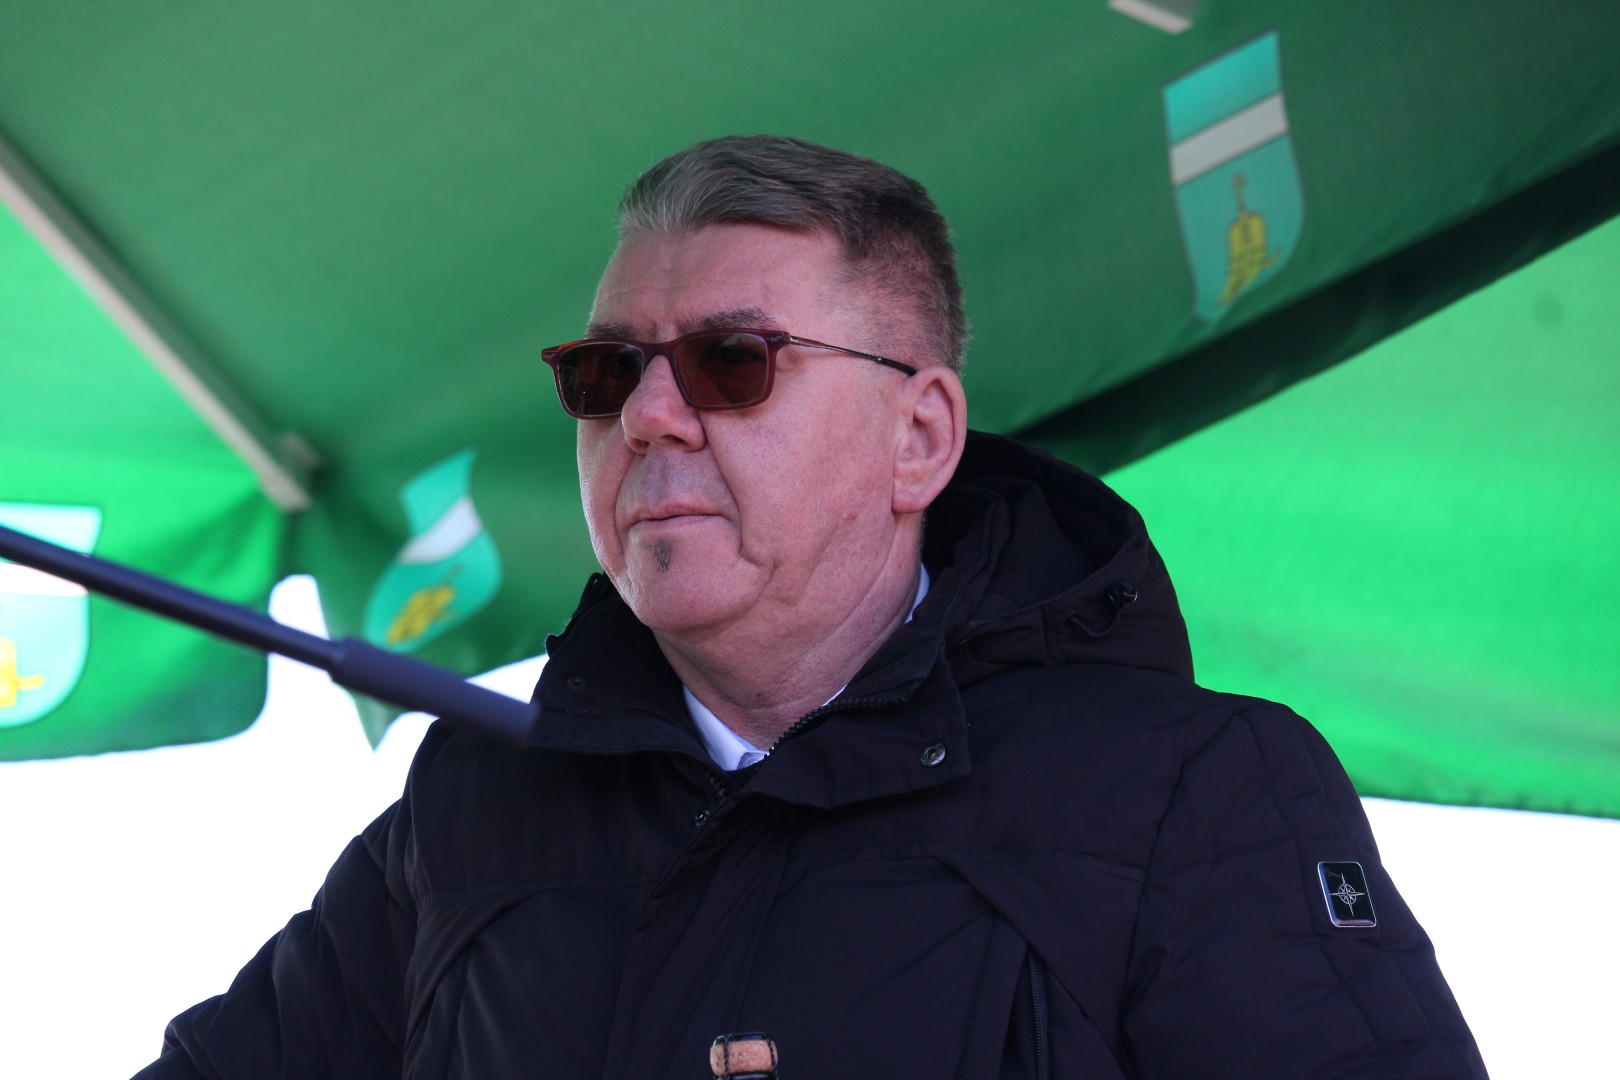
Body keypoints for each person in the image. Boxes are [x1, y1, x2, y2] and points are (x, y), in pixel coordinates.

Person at [138, 135, 1486, 1078]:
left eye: (732, 361)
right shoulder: (476, 805)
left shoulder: (1192, 793)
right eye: (606, 371)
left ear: (920, 437)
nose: (649, 416)